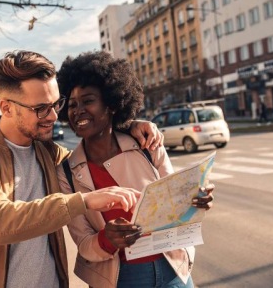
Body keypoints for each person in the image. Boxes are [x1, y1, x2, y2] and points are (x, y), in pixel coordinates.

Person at [0, 50, 164, 287]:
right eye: (40, 108)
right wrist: (85, 201)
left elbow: (95, 144)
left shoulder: (48, 152)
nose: (53, 116)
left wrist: (128, 124)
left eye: (56, 104)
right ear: (6, 108)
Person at [56, 51, 215, 288]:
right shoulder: (67, 171)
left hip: (172, 268)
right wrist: (107, 239)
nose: (78, 110)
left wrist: (196, 200)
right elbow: (84, 243)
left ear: (110, 104)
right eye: (72, 104)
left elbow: (177, 202)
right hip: (120, 279)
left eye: (88, 101)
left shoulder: (147, 145)